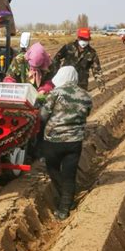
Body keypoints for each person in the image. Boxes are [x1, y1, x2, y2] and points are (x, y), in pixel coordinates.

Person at [40, 66, 92, 220]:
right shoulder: (86, 96)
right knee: (70, 174)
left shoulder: (55, 93)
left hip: (53, 141)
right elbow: (87, 114)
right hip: (75, 141)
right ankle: (64, 208)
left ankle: (64, 198)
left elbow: (43, 115)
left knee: (53, 168)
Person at [52, 28, 105, 92]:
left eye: (86, 39)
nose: (84, 41)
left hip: (81, 84)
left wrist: (101, 86)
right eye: (82, 38)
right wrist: (56, 73)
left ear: (89, 39)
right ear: (78, 38)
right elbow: (56, 59)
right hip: (65, 81)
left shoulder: (92, 52)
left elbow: (97, 70)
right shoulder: (68, 47)